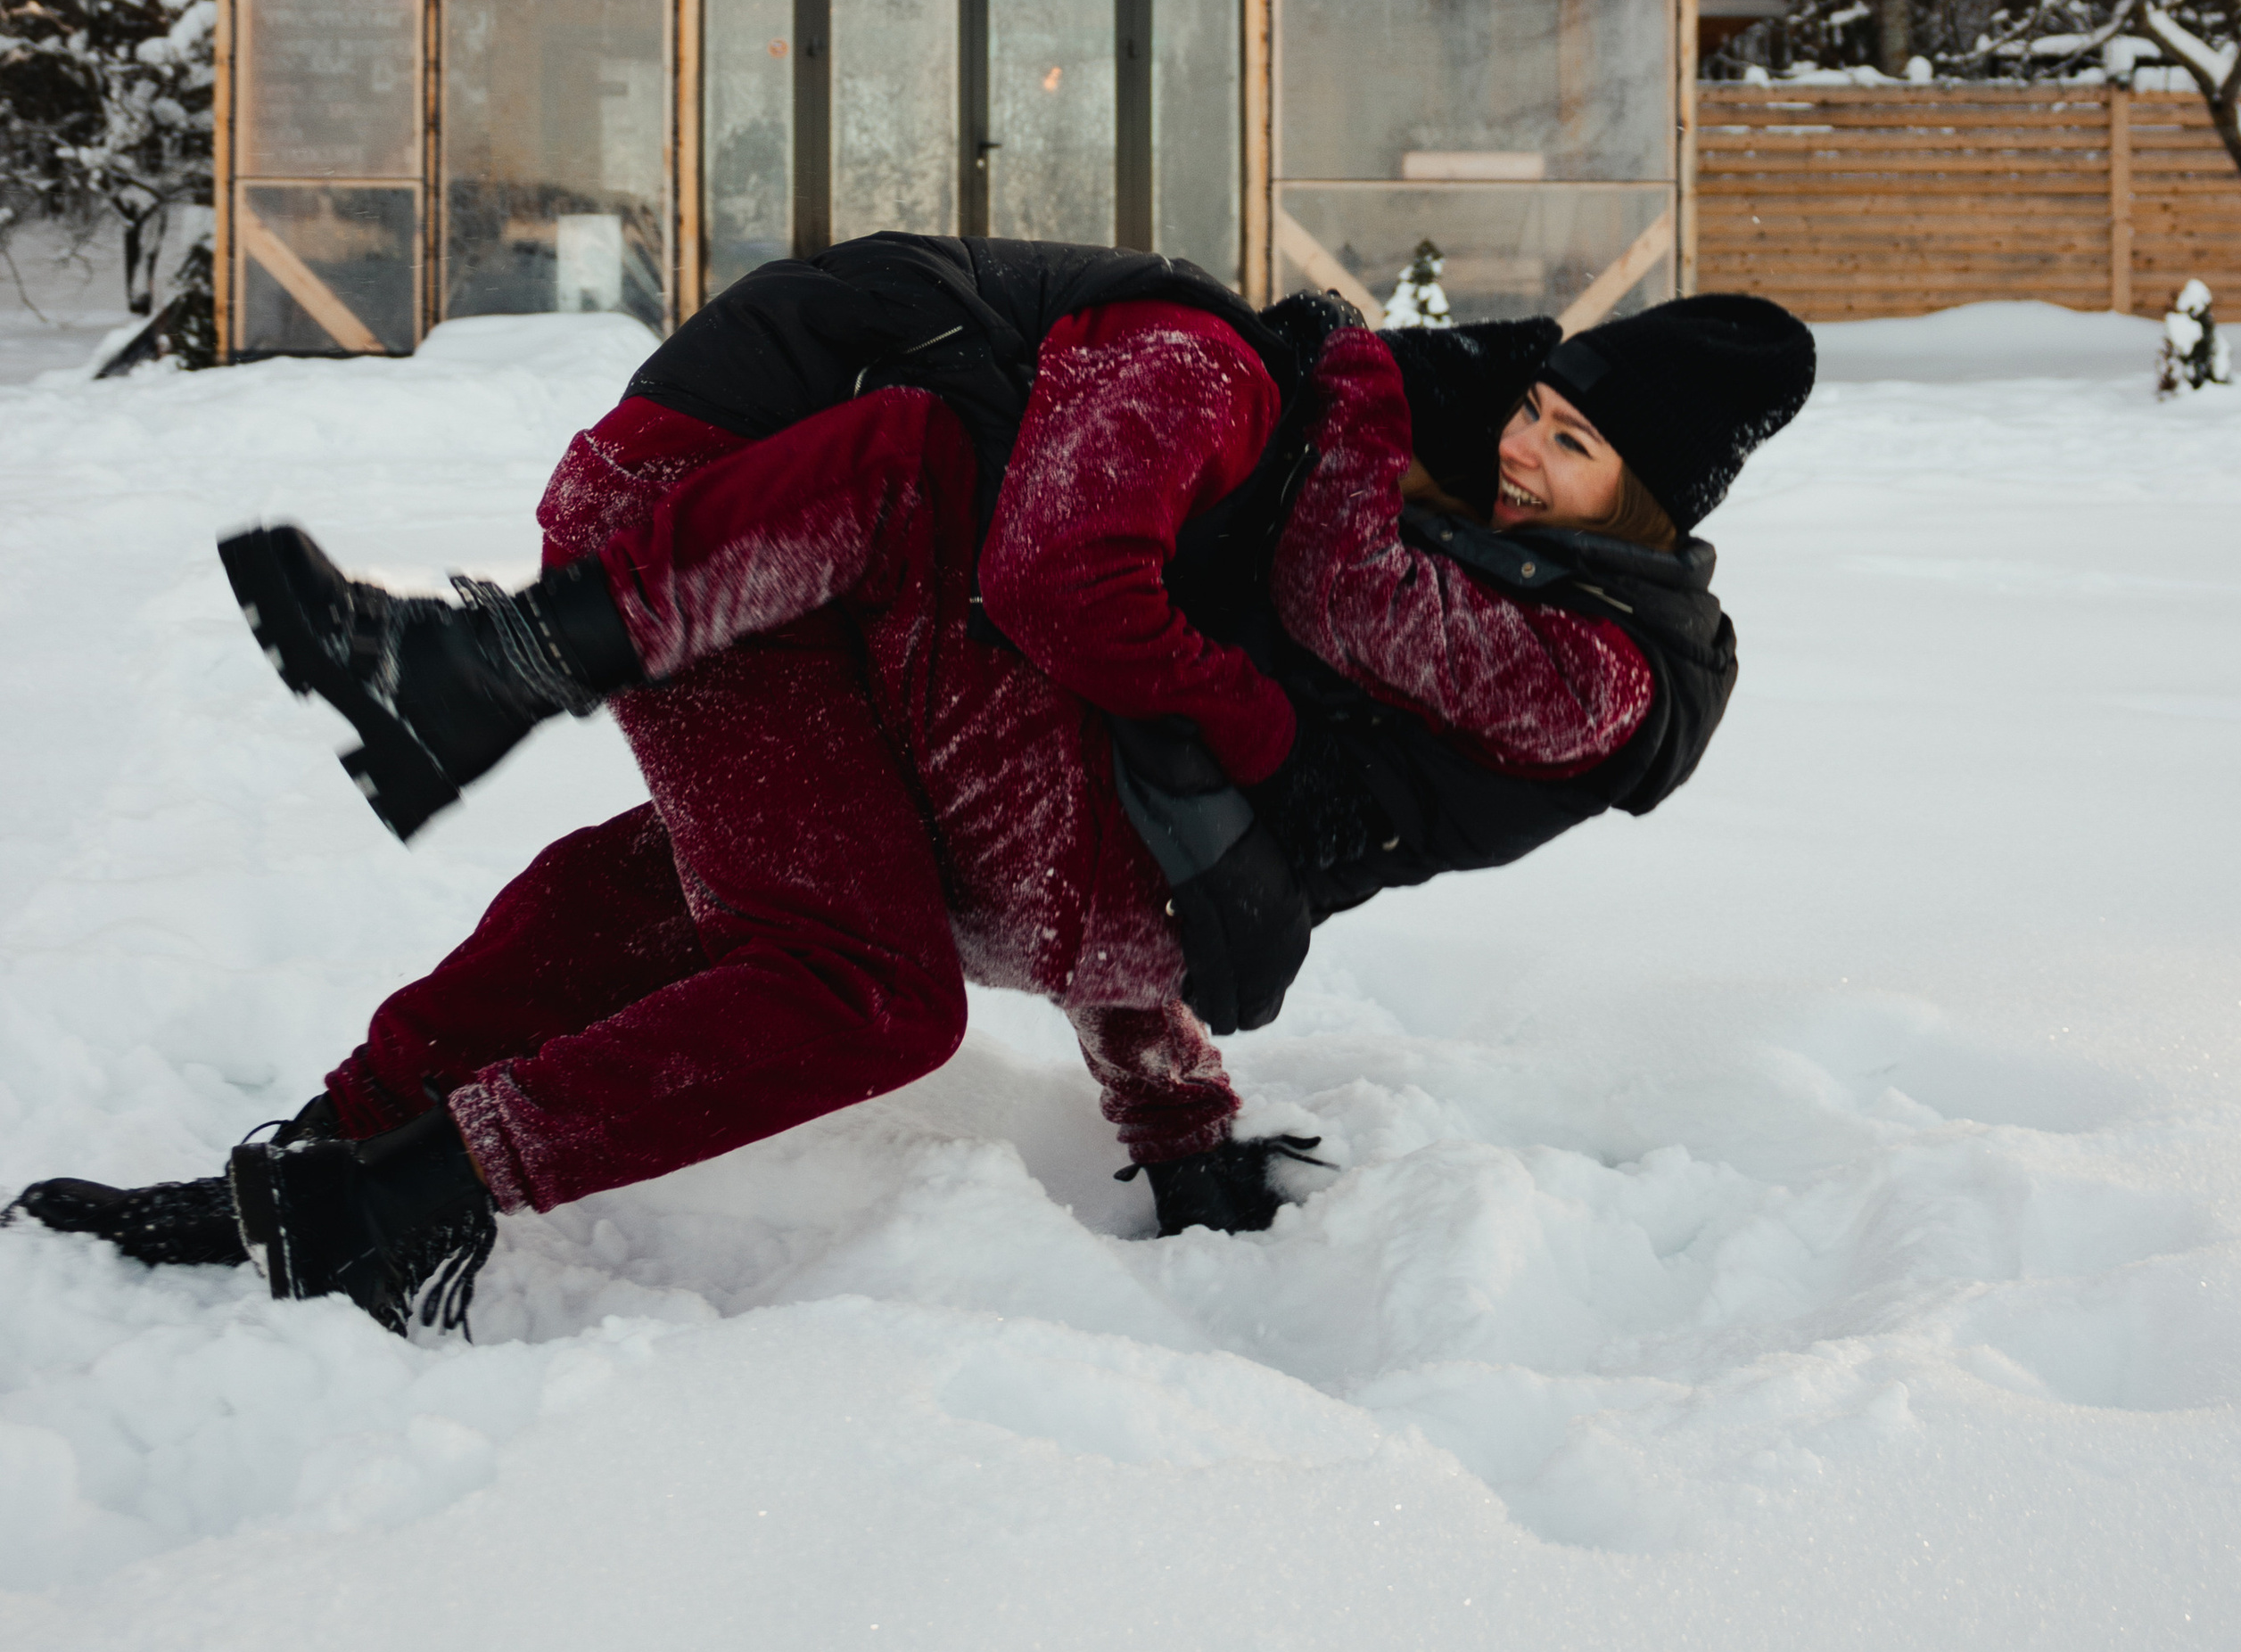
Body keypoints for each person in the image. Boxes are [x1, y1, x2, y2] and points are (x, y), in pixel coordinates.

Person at [9, 261, 1812, 1335]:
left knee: (748, 892)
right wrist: (1176, 1105)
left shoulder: (1588, 655)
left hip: (920, 706)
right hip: (863, 654)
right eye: (1531, 414)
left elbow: (1145, 762)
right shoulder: (1268, 429)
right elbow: (1129, 721)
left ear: (1650, 502)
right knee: (758, 917)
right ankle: (372, 1144)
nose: (1511, 456)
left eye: (1569, 443)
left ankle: (368, 1139)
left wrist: (1178, 1106)